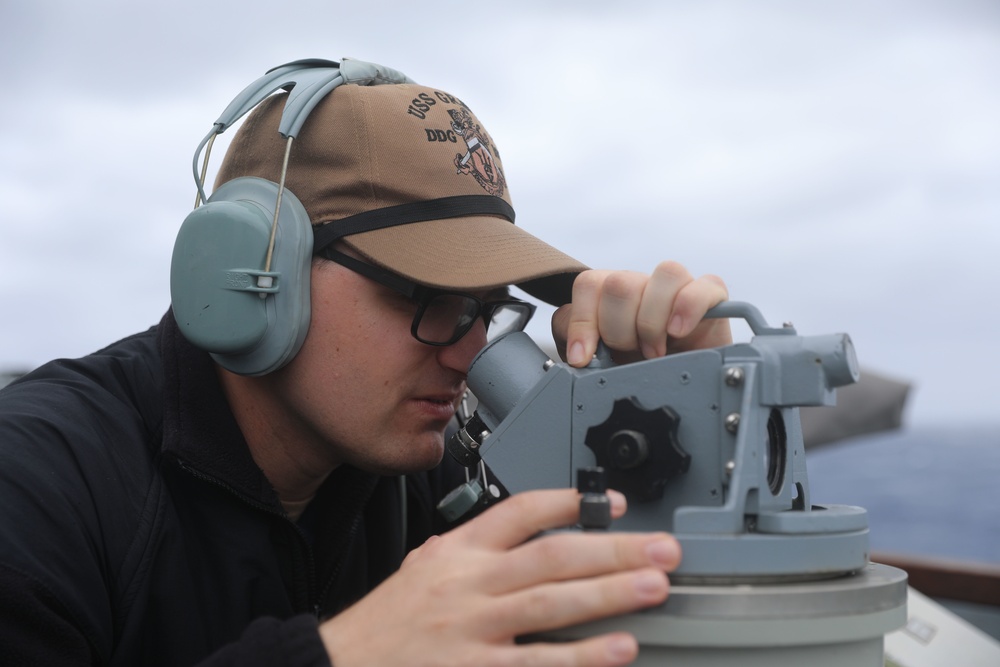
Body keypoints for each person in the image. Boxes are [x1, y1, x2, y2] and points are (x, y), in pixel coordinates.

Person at [0, 59, 731, 667]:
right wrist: (341, 656)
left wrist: (686, 425)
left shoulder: (431, 478)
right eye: (429, 296)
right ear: (255, 275)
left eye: (485, 306)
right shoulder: (40, 490)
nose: (469, 349)